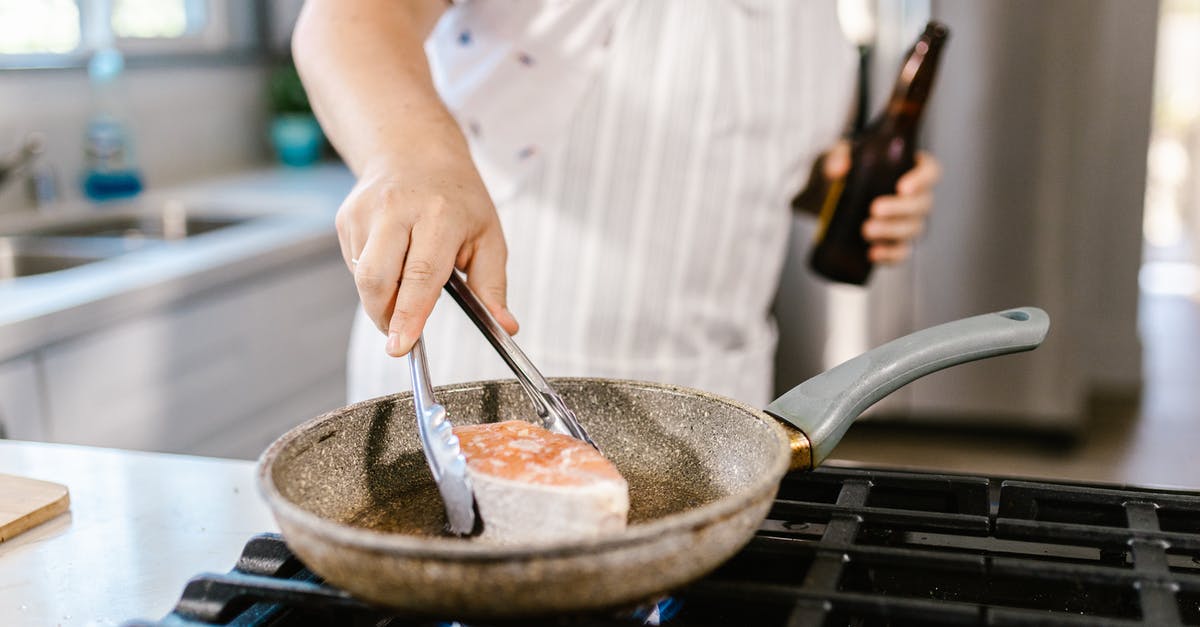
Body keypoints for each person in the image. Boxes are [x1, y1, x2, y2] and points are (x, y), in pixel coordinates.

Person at [292, 0, 941, 407]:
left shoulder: (817, 16)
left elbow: (748, 162)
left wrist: (837, 191)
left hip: (720, 412)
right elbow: (348, 19)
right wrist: (412, 153)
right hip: (491, 397)